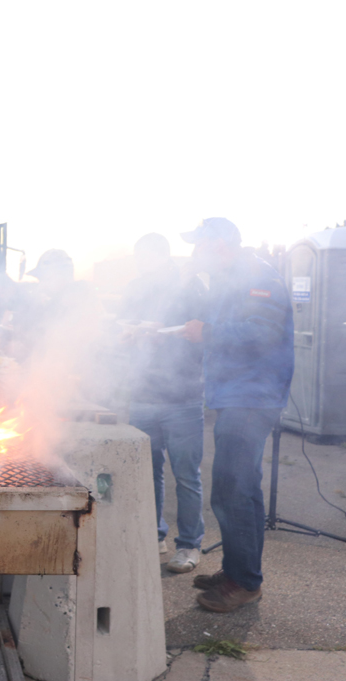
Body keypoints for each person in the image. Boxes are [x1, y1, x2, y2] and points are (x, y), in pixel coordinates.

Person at [180, 217, 293, 613]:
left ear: (222, 245)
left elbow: (261, 333)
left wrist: (207, 331)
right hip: (238, 396)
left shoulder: (258, 276)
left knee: (233, 490)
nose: (197, 253)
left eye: (201, 245)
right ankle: (237, 571)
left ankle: (244, 583)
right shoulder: (231, 280)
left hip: (252, 398)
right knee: (238, 490)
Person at [119, 233, 207, 573]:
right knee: (146, 471)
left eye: (147, 258)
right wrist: (129, 332)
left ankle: (189, 545)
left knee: (186, 474)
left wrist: (164, 331)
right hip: (142, 392)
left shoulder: (190, 286)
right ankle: (153, 535)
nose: (142, 265)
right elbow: (121, 327)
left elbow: (204, 334)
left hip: (182, 395)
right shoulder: (136, 287)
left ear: (163, 256)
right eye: (139, 258)